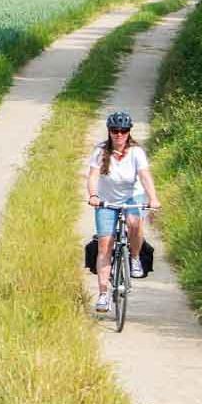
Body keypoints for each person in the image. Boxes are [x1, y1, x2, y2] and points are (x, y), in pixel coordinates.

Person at [86, 111, 162, 312]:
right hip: (107, 200)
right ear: (109, 131)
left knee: (135, 223)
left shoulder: (136, 152)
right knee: (104, 246)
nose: (119, 135)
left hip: (132, 196)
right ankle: (103, 295)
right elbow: (93, 176)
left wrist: (153, 198)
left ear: (129, 132)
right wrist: (93, 195)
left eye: (123, 131)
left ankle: (135, 259)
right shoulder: (101, 151)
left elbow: (145, 177)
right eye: (115, 131)